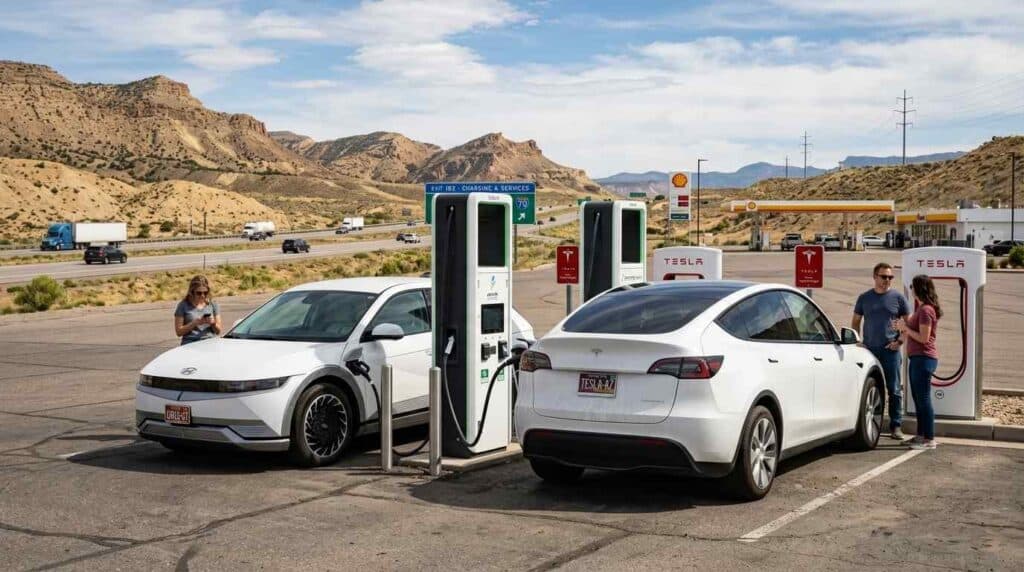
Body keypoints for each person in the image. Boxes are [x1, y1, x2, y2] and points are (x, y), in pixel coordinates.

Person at [852, 262, 911, 440]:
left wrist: (899, 341)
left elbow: (908, 324)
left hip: (890, 351)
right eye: (884, 276)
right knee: (870, 388)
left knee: (894, 389)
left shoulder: (898, 298)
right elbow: (855, 322)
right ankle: (870, 422)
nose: (887, 280)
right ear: (875, 277)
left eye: (890, 277)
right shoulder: (864, 298)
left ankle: (896, 426)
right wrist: (858, 341)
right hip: (869, 352)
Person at [894, 275, 942, 450]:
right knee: (918, 398)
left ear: (919, 288)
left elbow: (924, 337)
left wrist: (905, 327)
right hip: (918, 358)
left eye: (913, 286)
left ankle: (929, 439)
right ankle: (921, 436)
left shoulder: (926, 310)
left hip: (924, 358)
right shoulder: (922, 308)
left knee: (923, 398)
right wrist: (903, 329)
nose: (911, 290)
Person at [174, 275, 222, 345]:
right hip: (190, 343)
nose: (202, 295)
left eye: (205, 293)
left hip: (210, 342)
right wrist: (194, 323)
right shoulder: (183, 305)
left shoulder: (212, 304)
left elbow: (218, 331)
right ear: (192, 292)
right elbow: (178, 332)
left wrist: (213, 323)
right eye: (199, 293)